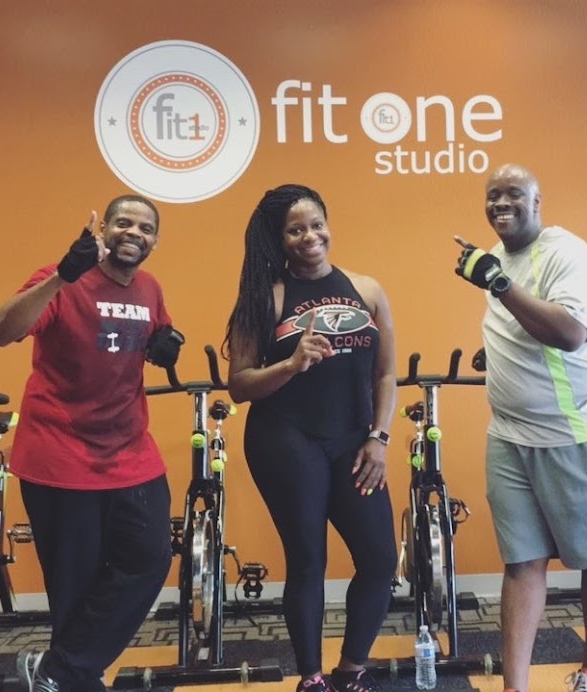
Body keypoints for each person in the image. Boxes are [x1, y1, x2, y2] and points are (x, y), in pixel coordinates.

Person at [0, 194, 184, 692]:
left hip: (130, 452)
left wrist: (165, 342)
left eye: (145, 228)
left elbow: (154, 333)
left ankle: (58, 671)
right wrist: (61, 277)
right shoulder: (61, 278)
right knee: (74, 586)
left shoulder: (150, 287)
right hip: (60, 454)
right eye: (124, 223)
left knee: (150, 558)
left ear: (155, 240)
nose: (133, 233)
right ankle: (75, 678)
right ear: (104, 231)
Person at [453, 164, 587, 692]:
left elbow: (571, 333)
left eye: (513, 194)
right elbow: (523, 322)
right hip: (510, 435)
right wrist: (499, 354)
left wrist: (497, 282)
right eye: (493, 195)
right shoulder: (498, 258)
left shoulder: (566, 253)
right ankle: (515, 686)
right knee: (521, 562)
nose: (500, 203)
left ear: (537, 202)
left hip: (578, 430)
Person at [223, 184, 398, 692]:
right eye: (295, 230)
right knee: (308, 560)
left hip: (354, 439)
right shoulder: (266, 297)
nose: (310, 236)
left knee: (380, 560)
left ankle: (351, 670)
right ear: (278, 239)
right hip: (285, 439)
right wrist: (291, 364)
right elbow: (239, 385)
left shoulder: (367, 289)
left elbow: (385, 374)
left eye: (316, 224)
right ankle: (312, 678)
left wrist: (379, 438)